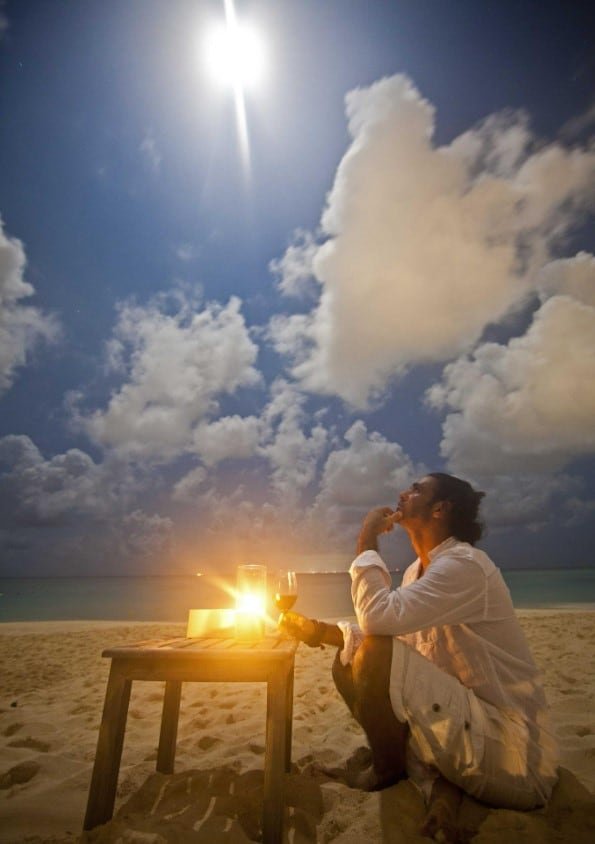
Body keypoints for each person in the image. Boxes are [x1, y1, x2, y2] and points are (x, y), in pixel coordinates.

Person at [281, 473, 559, 841]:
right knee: (348, 658)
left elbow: (379, 622)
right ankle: (440, 792)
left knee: (376, 649)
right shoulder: (417, 571)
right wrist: (318, 632)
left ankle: (388, 770)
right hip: (469, 731)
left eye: (416, 490)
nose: (402, 493)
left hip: (514, 756)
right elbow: (401, 643)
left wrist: (366, 541)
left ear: (440, 509)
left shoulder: (465, 564)